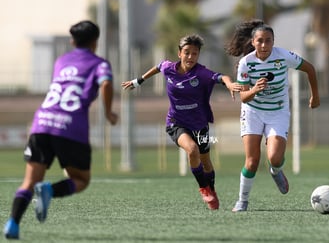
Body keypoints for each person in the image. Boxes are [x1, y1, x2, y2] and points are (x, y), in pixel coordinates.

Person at [3, 20, 118, 239]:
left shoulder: (61, 61)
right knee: (81, 180)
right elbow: (105, 83)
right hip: (70, 126)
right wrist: (109, 112)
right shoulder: (100, 63)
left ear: (72, 41)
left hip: (42, 123)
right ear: (96, 41)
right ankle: (50, 191)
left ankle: (12, 224)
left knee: (29, 181)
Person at [122, 34, 241, 210]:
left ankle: (211, 189)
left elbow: (221, 77)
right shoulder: (168, 67)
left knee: (206, 161)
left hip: (200, 124)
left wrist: (230, 84)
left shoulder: (201, 72)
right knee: (192, 150)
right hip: (176, 123)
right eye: (187, 52)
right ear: (179, 53)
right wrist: (138, 81)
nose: (190, 57)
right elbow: (158, 67)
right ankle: (203, 189)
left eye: (195, 53)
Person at [225, 20, 320, 212]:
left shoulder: (283, 56)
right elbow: (243, 97)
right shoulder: (246, 63)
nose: (264, 45)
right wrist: (255, 89)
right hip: (252, 111)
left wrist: (315, 96)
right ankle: (242, 201)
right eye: (260, 41)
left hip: (277, 111)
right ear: (253, 42)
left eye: (268, 41)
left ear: (273, 42)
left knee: (275, 158)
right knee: (252, 161)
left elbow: (310, 69)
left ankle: (276, 171)